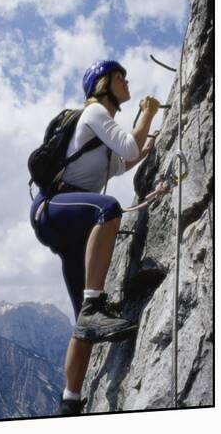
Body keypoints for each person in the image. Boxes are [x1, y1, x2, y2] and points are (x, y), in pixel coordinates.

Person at [29, 60, 160, 415]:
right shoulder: (95, 113)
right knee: (108, 208)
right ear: (104, 84)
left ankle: (69, 403)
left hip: (65, 224)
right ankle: (93, 304)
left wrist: (147, 144)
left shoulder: (99, 129)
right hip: (55, 208)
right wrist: (147, 115)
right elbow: (129, 149)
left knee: (83, 327)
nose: (127, 82)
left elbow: (122, 162)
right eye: (121, 77)